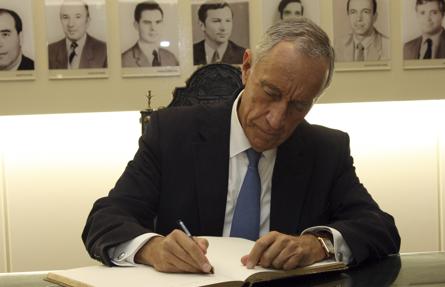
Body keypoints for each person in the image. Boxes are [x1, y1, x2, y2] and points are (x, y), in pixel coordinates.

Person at [82, 18, 400, 274]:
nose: (276, 120)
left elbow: (380, 229)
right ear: (246, 68)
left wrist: (316, 245)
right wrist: (153, 249)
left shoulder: (325, 149)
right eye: (271, 93)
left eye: (298, 105)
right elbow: (104, 220)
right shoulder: (172, 132)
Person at [48, 0, 107, 69]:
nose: (71, 24)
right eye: (65, 17)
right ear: (60, 20)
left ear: (87, 21)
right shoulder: (49, 51)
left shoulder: (104, 51)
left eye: (77, 17)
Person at [121, 1, 179, 67]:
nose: (153, 28)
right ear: (136, 25)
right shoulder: (123, 61)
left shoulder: (171, 58)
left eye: (158, 22)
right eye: (147, 22)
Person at [193, 0, 246, 65]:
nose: (223, 28)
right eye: (216, 21)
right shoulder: (191, 53)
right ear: (202, 25)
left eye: (228, 21)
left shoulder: (243, 55)